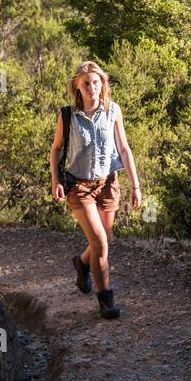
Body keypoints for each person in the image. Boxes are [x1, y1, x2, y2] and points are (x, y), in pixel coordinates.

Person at [49, 61, 141, 319]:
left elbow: (124, 149)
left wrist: (136, 185)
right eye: (86, 83)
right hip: (79, 187)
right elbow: (56, 149)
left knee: (104, 241)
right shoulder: (68, 116)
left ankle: (81, 263)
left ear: (103, 84)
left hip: (108, 184)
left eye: (96, 82)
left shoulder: (113, 111)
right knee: (100, 242)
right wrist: (55, 180)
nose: (92, 87)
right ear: (78, 87)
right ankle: (106, 299)